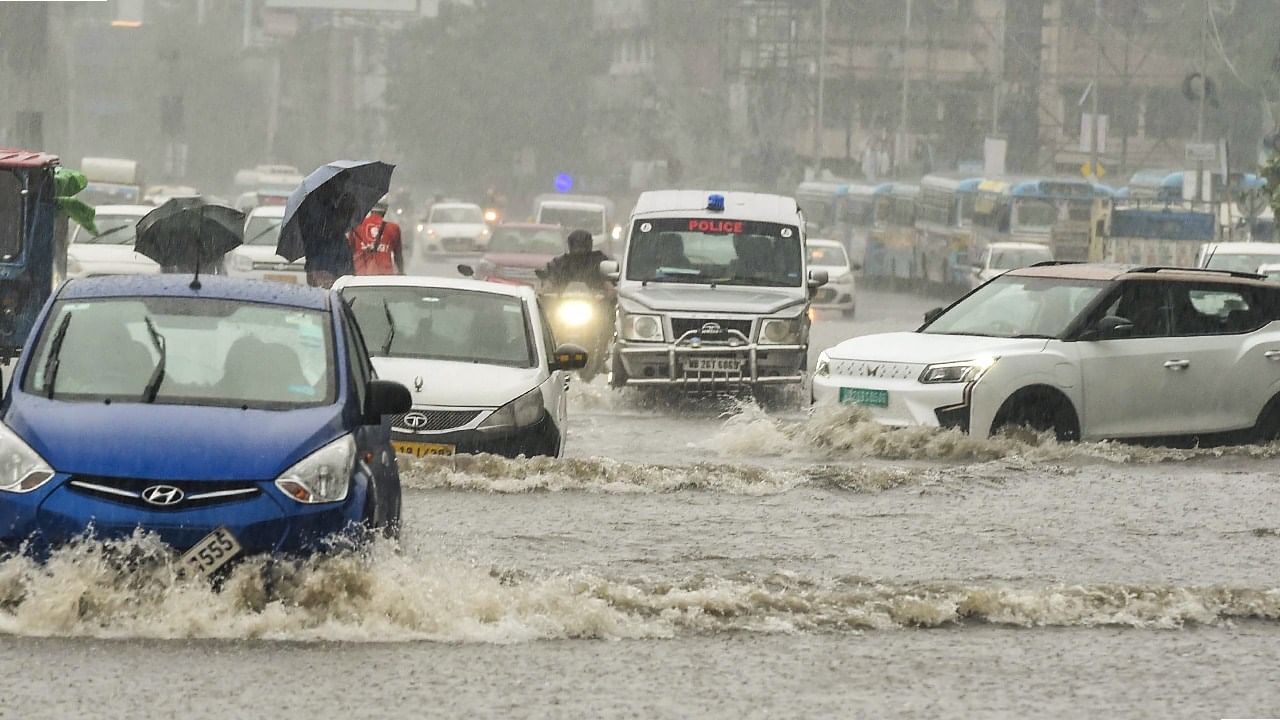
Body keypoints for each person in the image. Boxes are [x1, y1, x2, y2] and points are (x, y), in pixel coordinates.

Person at [303, 189, 358, 288]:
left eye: (349, 215)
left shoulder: (342, 241)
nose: (348, 220)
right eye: (345, 215)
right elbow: (314, 271)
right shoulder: (321, 239)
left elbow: (349, 269)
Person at [348, 196, 404, 275]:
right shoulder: (393, 228)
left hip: (361, 277)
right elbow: (398, 257)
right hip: (384, 277)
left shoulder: (357, 228)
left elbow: (349, 253)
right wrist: (401, 272)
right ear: (386, 209)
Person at [543, 229, 610, 291]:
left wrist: (608, 286)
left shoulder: (598, 261)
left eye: (583, 245)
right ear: (570, 245)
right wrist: (548, 284)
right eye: (576, 245)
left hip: (595, 301)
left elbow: (608, 279)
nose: (579, 249)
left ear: (589, 244)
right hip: (562, 300)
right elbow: (551, 275)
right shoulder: (560, 263)